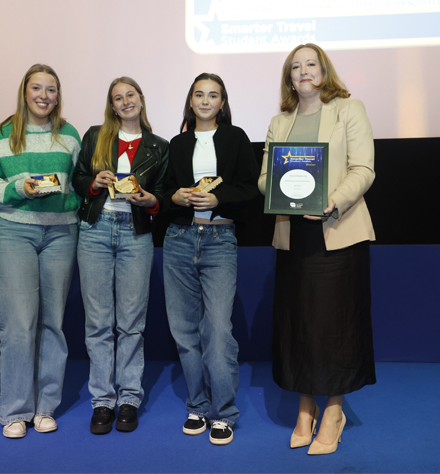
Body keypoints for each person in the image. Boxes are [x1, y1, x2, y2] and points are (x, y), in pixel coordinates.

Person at [258, 43, 377, 455]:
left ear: (324, 71)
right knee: (299, 324)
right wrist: (276, 187)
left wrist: (333, 201)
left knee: (335, 326)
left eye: (311, 64)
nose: (303, 71)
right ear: (289, 78)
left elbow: (363, 168)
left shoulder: (348, 108)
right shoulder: (279, 121)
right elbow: (262, 178)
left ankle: (333, 411)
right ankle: (304, 407)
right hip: (294, 236)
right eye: (296, 67)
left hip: (337, 229)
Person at [0, 64, 82, 439]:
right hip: (13, 233)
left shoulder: (69, 135)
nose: (44, 95)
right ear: (24, 92)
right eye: (37, 88)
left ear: (58, 95)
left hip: (61, 234)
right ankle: (15, 411)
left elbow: (79, 186)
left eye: (51, 89)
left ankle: (46, 408)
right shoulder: (1, 135)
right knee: (19, 324)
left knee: (52, 322)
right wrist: (19, 189)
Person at [163, 73, 259, 446]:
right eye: (199, 94)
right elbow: (165, 188)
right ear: (190, 101)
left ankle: (224, 413)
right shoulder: (177, 142)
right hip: (179, 240)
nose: (205, 100)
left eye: (213, 95)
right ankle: (197, 405)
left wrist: (219, 200)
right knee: (184, 331)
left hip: (220, 239)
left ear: (223, 102)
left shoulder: (235, 138)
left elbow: (249, 187)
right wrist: (177, 198)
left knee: (217, 329)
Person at [72, 77, 169, 435]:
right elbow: (78, 178)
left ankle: (129, 398)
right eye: (118, 98)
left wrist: (151, 201)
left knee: (131, 322)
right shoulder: (95, 136)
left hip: (136, 234)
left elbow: (162, 193)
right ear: (111, 106)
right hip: (96, 230)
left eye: (131, 95)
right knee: (98, 322)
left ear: (142, 99)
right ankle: (102, 401)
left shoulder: (159, 146)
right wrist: (95, 182)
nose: (126, 102)